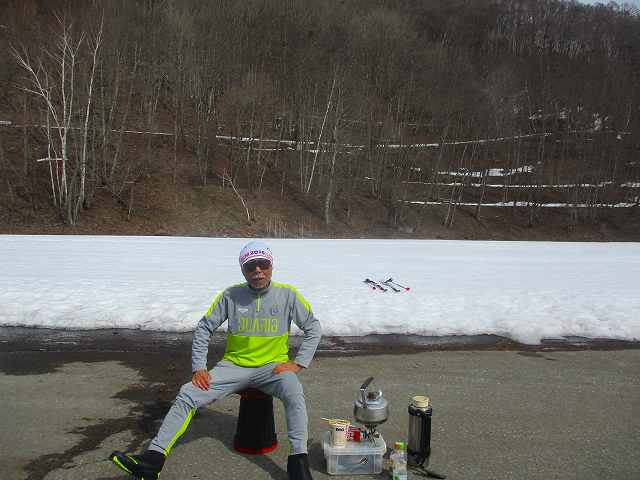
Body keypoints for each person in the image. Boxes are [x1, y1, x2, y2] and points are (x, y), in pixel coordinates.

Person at [110, 240, 322, 480]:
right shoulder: (231, 295)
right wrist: (199, 367)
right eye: (250, 266)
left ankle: (298, 462)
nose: (257, 271)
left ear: (271, 266)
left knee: (294, 391)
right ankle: (152, 461)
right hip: (233, 366)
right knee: (188, 393)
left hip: (272, 368)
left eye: (263, 264)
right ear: (243, 269)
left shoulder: (288, 295)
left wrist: (298, 363)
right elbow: (204, 328)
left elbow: (313, 327)